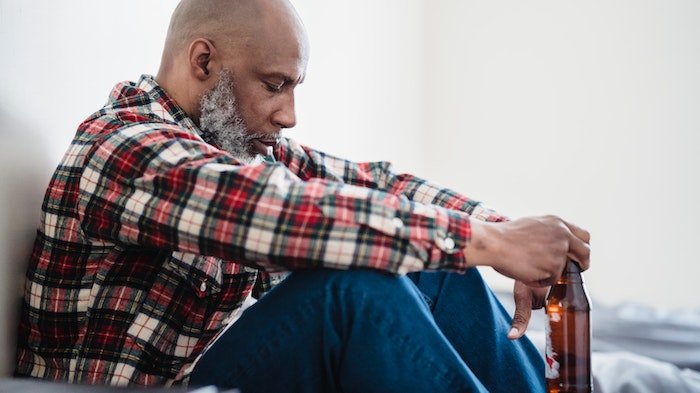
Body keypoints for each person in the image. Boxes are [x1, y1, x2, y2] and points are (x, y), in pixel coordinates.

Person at [14, 0, 590, 391]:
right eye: (274, 85)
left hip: (210, 374)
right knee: (355, 291)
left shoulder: (236, 147)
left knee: (442, 269)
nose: (289, 115)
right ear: (204, 61)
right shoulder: (125, 147)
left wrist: (506, 234)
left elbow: (376, 184)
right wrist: (485, 241)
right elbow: (281, 213)